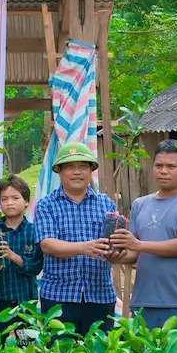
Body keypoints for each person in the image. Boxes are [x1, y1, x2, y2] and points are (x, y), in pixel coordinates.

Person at [111, 140, 177, 339]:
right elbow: (134, 254)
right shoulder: (140, 204)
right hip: (143, 302)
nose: (164, 171)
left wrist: (138, 244)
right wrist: (114, 256)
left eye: (171, 166)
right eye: (159, 166)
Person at [34, 141, 119, 336]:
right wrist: (83, 248)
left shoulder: (106, 204)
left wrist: (117, 251)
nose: (77, 172)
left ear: (91, 171)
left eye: (82, 166)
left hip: (100, 295)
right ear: (59, 172)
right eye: (70, 167)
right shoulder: (47, 205)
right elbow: (47, 244)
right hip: (58, 296)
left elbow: (113, 245)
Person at [0, 175, 44, 331]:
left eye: (15, 198)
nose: (9, 203)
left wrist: (12, 255)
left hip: (26, 301)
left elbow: (35, 267)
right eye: (4, 199)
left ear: (26, 202)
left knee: (25, 346)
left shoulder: (34, 231)